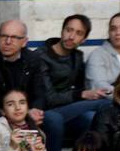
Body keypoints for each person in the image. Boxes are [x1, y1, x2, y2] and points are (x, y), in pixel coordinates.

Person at [0, 19, 64, 151]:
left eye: (14, 37)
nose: (8, 41)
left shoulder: (32, 59)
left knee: (54, 120)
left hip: (25, 112)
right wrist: (15, 112)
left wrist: (34, 109)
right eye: (3, 36)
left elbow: (40, 93)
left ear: (24, 42)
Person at [37, 13, 106, 142]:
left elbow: (80, 89)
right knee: (105, 103)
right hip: (44, 112)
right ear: (62, 31)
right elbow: (49, 99)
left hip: (67, 110)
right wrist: (82, 94)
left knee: (90, 118)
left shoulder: (77, 57)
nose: (71, 36)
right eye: (69, 30)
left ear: (84, 39)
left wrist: (84, 94)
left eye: (79, 33)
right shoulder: (41, 56)